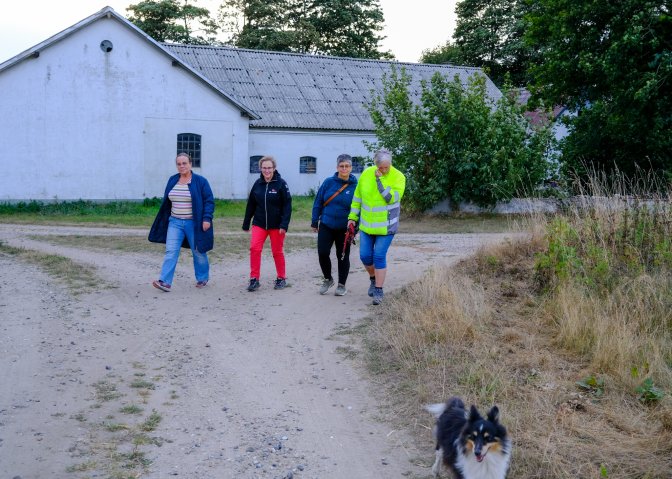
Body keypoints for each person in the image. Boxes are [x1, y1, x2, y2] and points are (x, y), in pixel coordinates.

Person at [149, 152, 215, 292]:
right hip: (175, 222)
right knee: (171, 251)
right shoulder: (173, 180)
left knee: (198, 251)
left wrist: (207, 218)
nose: (182, 166)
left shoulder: (200, 181)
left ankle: (202, 277)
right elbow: (167, 201)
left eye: (184, 163)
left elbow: (209, 201)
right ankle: (165, 282)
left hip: (194, 223)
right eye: (179, 164)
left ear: (190, 164)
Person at [348, 149, 405, 305]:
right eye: (381, 167)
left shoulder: (399, 177)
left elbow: (391, 198)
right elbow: (357, 198)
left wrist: (380, 182)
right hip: (367, 226)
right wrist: (352, 218)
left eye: (386, 167)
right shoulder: (366, 174)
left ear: (390, 164)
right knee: (365, 256)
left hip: (386, 228)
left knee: (379, 256)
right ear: (375, 164)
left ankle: (379, 289)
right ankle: (373, 279)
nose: (384, 170)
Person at [242, 156, 292, 291]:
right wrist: (246, 223)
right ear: (261, 169)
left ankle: (281, 278)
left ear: (274, 168)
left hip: (277, 225)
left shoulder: (281, 183)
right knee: (254, 249)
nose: (267, 170)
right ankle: (254, 279)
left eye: (269, 168)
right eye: (264, 168)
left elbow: (287, 206)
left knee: (277, 251)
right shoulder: (257, 184)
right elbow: (251, 204)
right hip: (259, 223)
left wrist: (284, 225)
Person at [311, 154, 358, 296]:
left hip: (345, 227)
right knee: (323, 253)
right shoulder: (328, 182)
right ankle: (328, 279)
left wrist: (355, 227)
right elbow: (318, 201)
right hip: (326, 223)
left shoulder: (357, 186)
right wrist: (315, 220)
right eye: (341, 166)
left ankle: (341, 285)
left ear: (351, 168)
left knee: (342, 256)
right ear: (337, 167)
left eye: (347, 166)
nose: (344, 168)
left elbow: (359, 208)